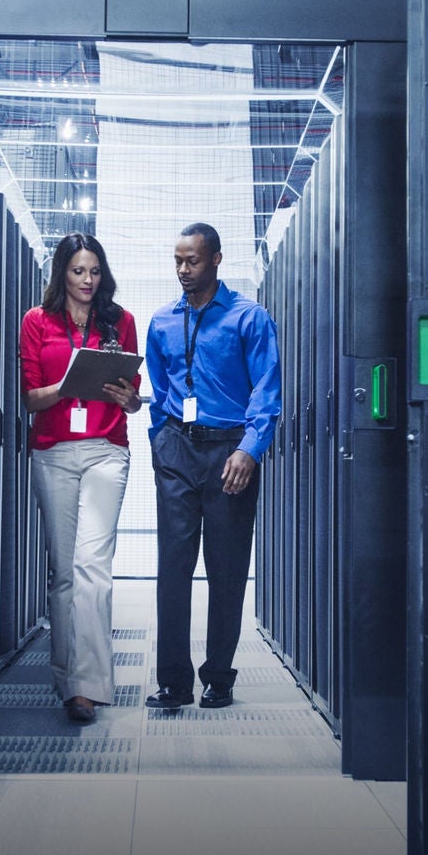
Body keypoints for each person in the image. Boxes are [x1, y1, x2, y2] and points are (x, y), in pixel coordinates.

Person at [143, 222, 283, 710]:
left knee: (227, 570)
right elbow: (161, 391)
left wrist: (250, 449)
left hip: (231, 454)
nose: (183, 270)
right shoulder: (162, 322)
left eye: (193, 260)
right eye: (178, 261)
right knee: (172, 569)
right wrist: (161, 438)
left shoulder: (250, 318)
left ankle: (219, 677)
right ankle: (173, 682)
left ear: (216, 260)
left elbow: (267, 390)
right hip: (178, 452)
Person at [19, 233, 144, 723]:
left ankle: (88, 688)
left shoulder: (121, 322)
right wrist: (68, 385)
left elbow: (132, 394)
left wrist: (129, 399)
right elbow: (30, 398)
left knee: (94, 566)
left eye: (94, 271)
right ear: (61, 274)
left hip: (105, 450)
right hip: (52, 451)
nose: (88, 281)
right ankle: (67, 678)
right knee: (65, 571)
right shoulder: (37, 321)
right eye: (78, 272)